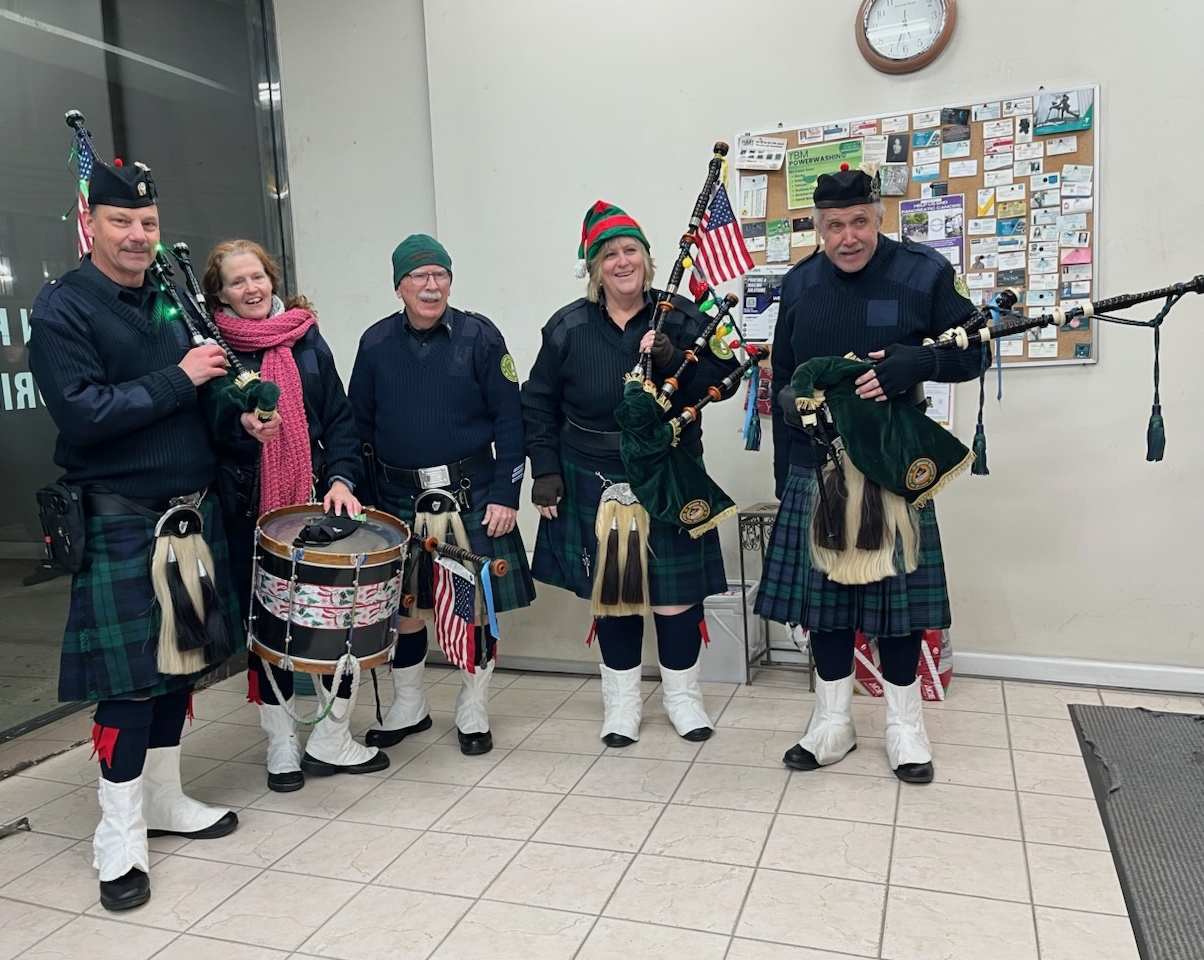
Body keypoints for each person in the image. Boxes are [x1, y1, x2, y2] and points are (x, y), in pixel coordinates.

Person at [28, 160, 241, 912]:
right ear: (90, 225)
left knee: (175, 671)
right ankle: (117, 835)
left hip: (189, 514)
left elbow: (197, 397)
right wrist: (180, 378)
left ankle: (166, 800)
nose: (137, 235)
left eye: (147, 223)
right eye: (121, 221)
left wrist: (238, 416)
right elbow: (83, 412)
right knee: (126, 686)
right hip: (120, 518)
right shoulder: (64, 308)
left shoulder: (167, 299)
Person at [755, 166, 988, 784]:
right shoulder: (801, 285)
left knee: (898, 607)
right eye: (834, 226)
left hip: (891, 461)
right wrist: (787, 467)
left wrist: (920, 360)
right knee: (828, 605)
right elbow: (781, 376)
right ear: (818, 227)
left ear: (878, 217)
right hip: (819, 463)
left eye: (859, 221)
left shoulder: (923, 273)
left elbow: (976, 350)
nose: (848, 236)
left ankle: (905, 726)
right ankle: (832, 723)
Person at [521, 201, 739, 747]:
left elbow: (725, 378)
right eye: (611, 254)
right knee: (613, 594)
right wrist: (544, 470)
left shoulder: (682, 317)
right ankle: (620, 707)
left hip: (669, 468)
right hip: (591, 473)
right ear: (595, 268)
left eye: (632, 250)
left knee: (675, 595)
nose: (623, 262)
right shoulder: (567, 326)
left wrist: (671, 358)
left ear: (647, 256)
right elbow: (537, 402)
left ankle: (683, 700)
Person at [201, 239, 388, 793]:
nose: (251, 289)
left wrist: (341, 478)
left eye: (257, 276)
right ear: (220, 293)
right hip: (249, 515)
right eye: (237, 282)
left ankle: (332, 739)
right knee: (268, 631)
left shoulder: (305, 337)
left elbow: (340, 418)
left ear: (271, 277)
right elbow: (206, 427)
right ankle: (281, 744)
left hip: (315, 508)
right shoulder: (213, 350)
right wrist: (240, 429)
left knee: (338, 622)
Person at [347, 234, 535, 755]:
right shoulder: (375, 344)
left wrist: (507, 494)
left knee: (470, 607)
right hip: (394, 497)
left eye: (440, 275)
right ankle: (411, 706)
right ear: (399, 286)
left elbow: (510, 420)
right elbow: (356, 424)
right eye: (419, 276)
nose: (431, 286)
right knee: (403, 608)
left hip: (471, 495)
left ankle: (473, 708)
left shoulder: (480, 337)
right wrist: (359, 499)